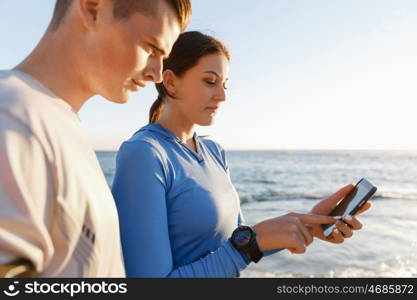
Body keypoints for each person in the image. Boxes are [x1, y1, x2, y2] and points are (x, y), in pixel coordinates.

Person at [112, 31, 371, 278]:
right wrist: (249, 244)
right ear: (170, 82)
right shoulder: (144, 154)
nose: (222, 95)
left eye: (225, 84)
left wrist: (309, 223)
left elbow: (233, 246)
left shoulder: (214, 151)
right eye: (210, 81)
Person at [0, 0, 191, 277]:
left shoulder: (54, 121)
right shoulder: (14, 119)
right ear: (92, 9)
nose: (156, 74)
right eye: (151, 48)